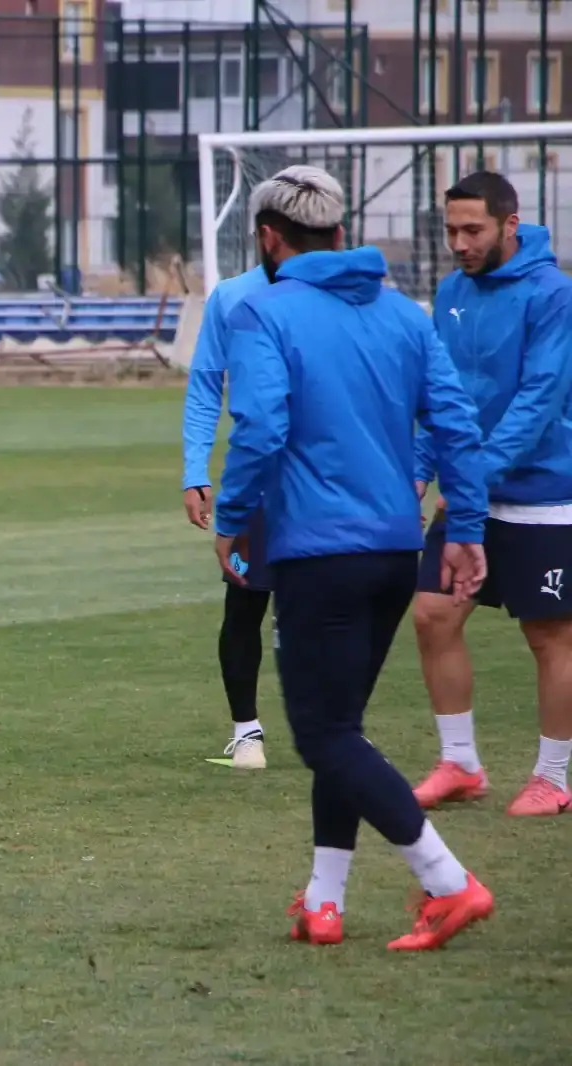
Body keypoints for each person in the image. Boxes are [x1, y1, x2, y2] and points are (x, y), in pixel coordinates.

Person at [216, 165, 495, 950]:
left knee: (323, 735)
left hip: (318, 554)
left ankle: (448, 884)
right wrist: (465, 524)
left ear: (270, 239)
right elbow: (454, 424)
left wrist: (233, 519)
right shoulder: (406, 316)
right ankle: (323, 901)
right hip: (393, 551)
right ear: (342, 233)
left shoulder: (265, 313)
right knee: (346, 728)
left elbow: (263, 429)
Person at [408, 172, 572, 817]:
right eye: (450, 230)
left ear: (510, 223)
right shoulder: (451, 291)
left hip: (540, 492)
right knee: (432, 613)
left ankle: (554, 776)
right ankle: (461, 763)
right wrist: (419, 468)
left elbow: (540, 398)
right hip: (470, 493)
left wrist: (468, 476)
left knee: (548, 634)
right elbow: (439, 397)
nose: (459, 243)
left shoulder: (552, 293)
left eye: (472, 229)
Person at [182, 262, 273, 769]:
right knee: (244, 602)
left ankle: (339, 725)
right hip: (258, 477)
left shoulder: (345, 293)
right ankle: (247, 732)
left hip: (329, 478)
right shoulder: (233, 297)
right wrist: (195, 469)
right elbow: (204, 386)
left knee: (329, 608)